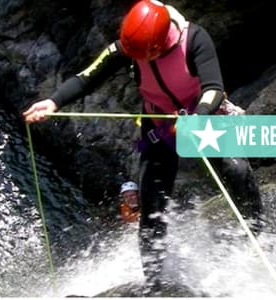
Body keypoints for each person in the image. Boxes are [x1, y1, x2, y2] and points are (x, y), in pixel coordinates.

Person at [23, 0, 263, 294]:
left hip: (202, 119)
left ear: (160, 43)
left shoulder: (195, 39)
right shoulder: (130, 45)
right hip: (159, 127)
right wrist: (53, 101)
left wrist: (197, 118)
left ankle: (256, 234)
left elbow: (213, 86)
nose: (132, 57)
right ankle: (154, 283)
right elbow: (88, 76)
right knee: (151, 207)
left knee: (235, 171)